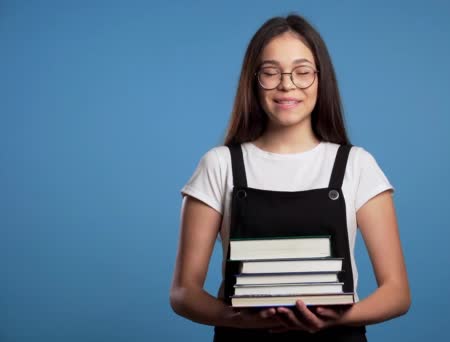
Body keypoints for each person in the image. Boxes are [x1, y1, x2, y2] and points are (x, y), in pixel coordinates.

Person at [169, 13, 411, 341]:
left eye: (302, 72)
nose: (287, 84)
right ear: (253, 80)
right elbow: (183, 292)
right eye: (271, 73)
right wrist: (243, 321)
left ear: (320, 79)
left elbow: (397, 293)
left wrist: (335, 320)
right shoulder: (219, 165)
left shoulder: (357, 165)